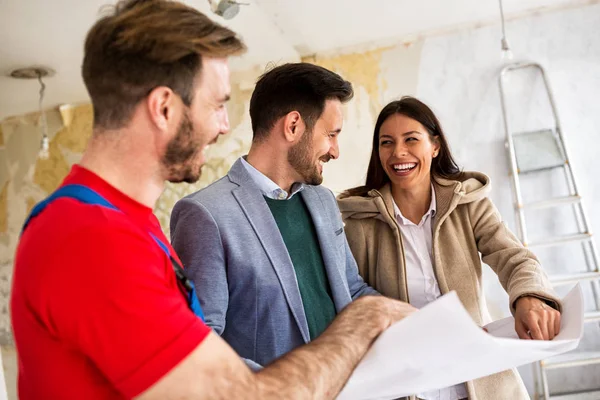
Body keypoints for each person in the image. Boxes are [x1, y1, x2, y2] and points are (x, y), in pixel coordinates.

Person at [9, 2, 415, 399]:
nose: (224, 126)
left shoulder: (133, 228)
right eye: (218, 105)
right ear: (164, 108)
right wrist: (362, 324)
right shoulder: (91, 238)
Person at [338, 97, 562, 400]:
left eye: (411, 139)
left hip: (482, 382)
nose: (398, 152)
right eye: (386, 142)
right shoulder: (359, 221)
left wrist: (529, 297)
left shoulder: (468, 203)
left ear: (435, 146)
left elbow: (513, 257)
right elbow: (353, 300)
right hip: (408, 388)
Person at [170, 62, 387, 370]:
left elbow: (350, 289)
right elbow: (202, 343)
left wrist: (406, 321)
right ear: (293, 126)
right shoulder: (205, 215)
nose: (335, 151)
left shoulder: (323, 200)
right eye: (331, 134)